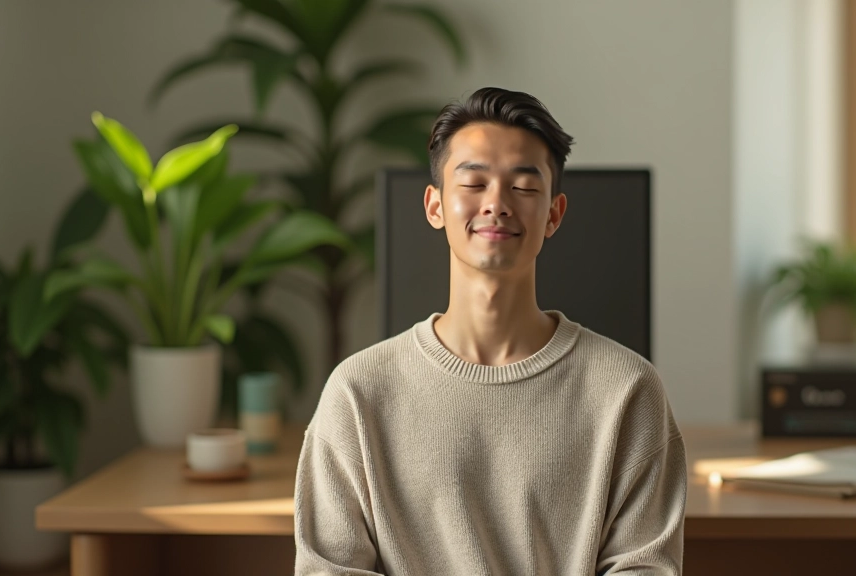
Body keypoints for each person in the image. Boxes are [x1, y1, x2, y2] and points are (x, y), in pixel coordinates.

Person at [294, 87, 686, 575]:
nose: (497, 203)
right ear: (435, 207)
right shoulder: (357, 393)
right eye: (474, 184)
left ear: (554, 214)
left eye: (523, 188)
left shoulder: (628, 390)